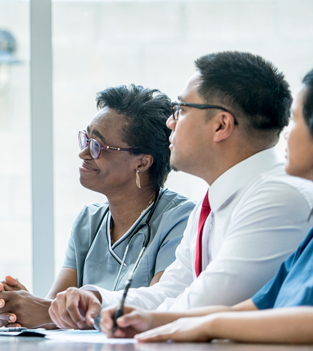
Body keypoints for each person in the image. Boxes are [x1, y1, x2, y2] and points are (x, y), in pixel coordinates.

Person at [48, 51, 313, 330]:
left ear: (221, 125)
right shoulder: (212, 202)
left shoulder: (278, 198)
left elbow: (204, 304)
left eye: (181, 110)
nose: (170, 122)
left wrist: (126, 316)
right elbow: (171, 290)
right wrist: (99, 300)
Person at [0, 85, 194, 329]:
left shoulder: (181, 220)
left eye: (97, 146)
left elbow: (160, 308)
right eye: (86, 139)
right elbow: (53, 312)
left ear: (142, 163)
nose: (83, 153)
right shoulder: (89, 220)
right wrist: (22, 307)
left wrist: (42, 311)